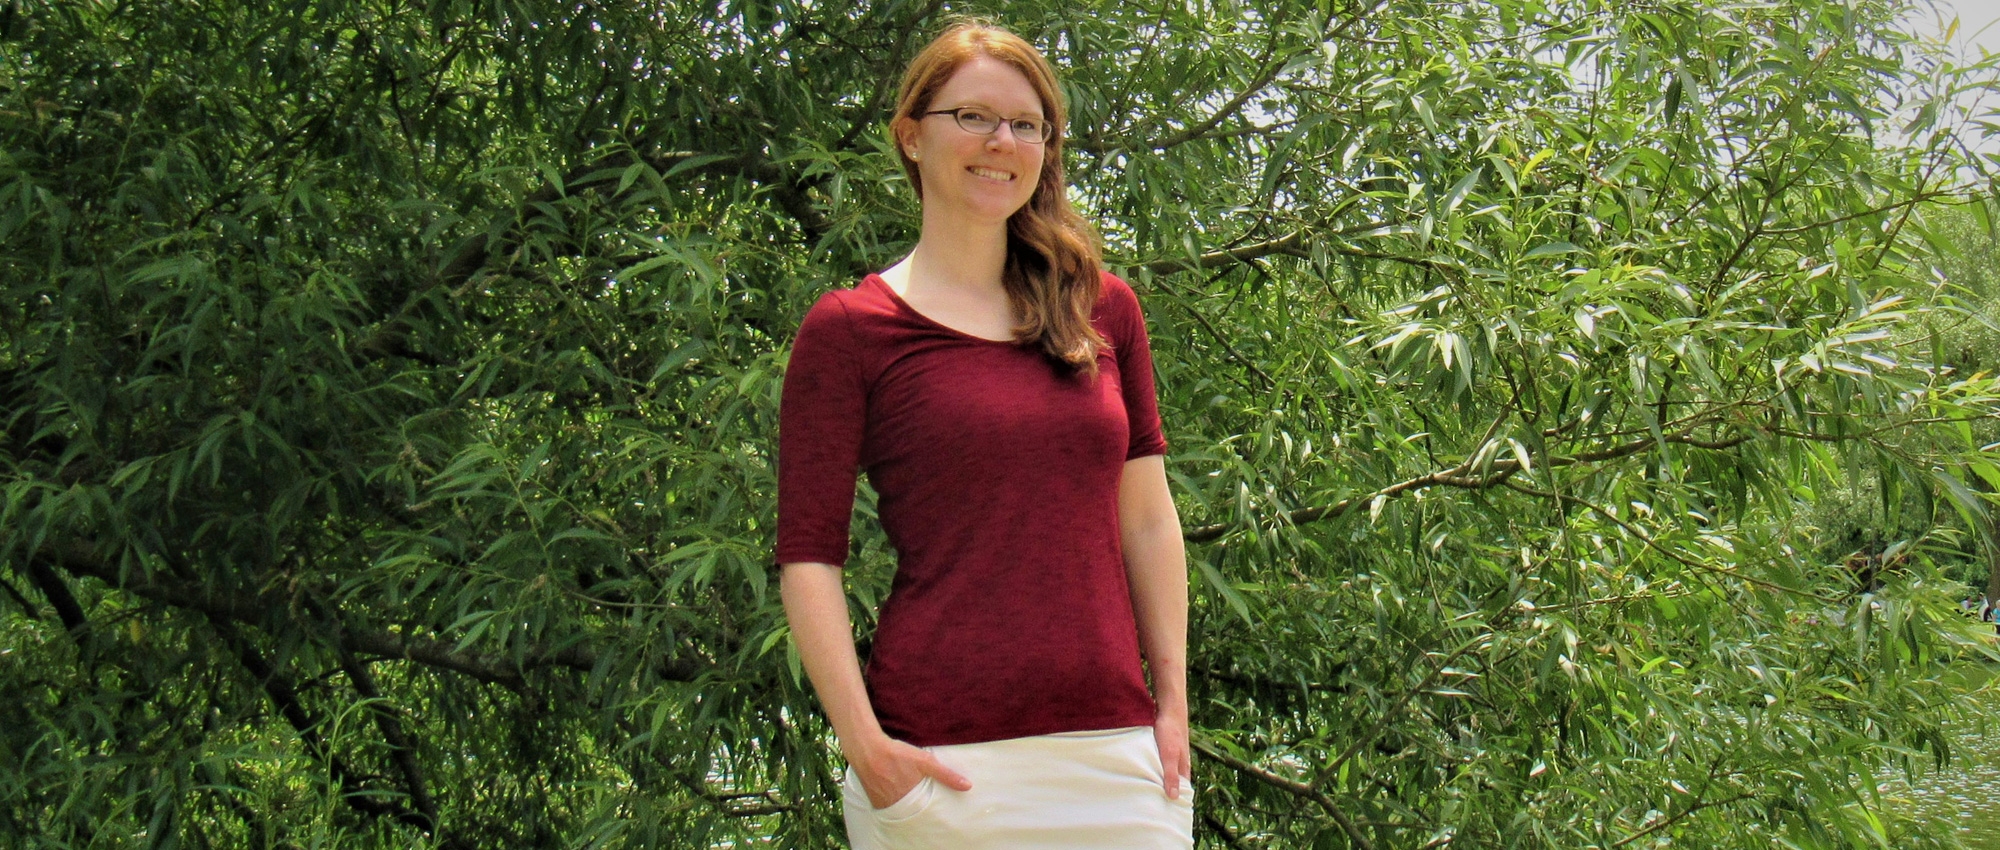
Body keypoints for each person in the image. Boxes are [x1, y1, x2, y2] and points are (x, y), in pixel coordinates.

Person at [774, 20, 1193, 849]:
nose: (1001, 141)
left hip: (1117, 756)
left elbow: (1145, 517)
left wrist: (1173, 706)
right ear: (911, 136)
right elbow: (808, 556)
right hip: (941, 768)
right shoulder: (851, 330)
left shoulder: (1103, 310)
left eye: (1026, 124)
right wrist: (866, 747)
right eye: (973, 116)